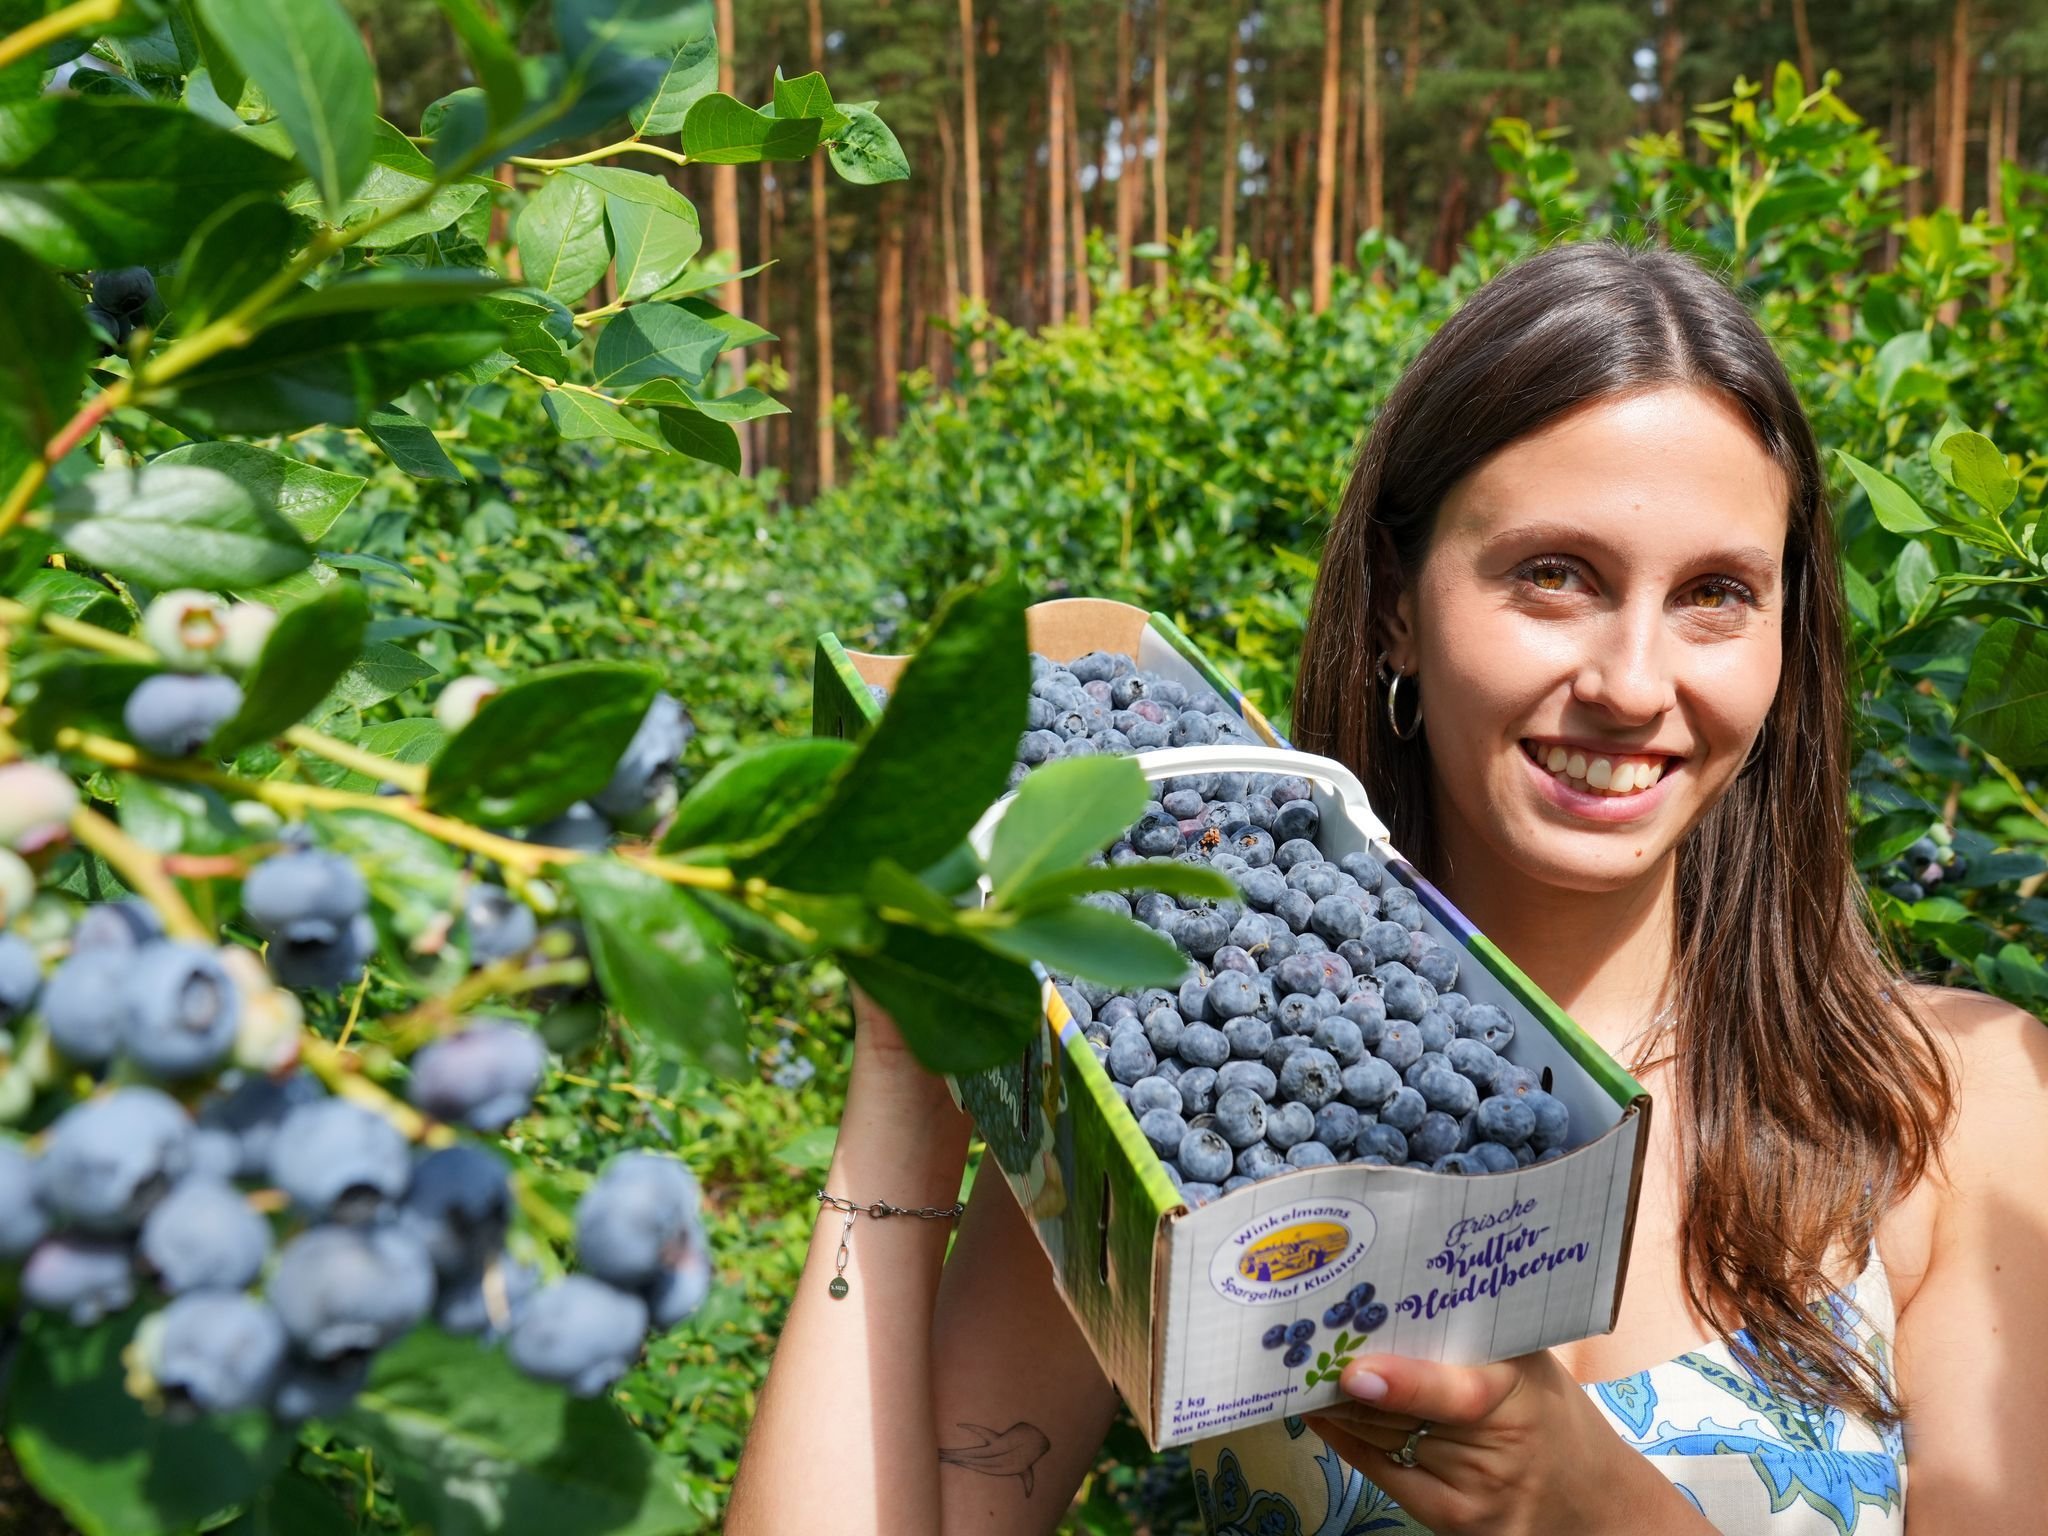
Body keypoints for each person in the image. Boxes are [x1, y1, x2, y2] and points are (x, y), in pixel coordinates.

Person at [725, 238, 2048, 1535]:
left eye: (1716, 595)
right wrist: (912, 1066)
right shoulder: (1178, 1090)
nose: (1635, 682)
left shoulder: (1959, 1108)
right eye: (1556, 575)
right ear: (1398, 605)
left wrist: (1580, 1508)